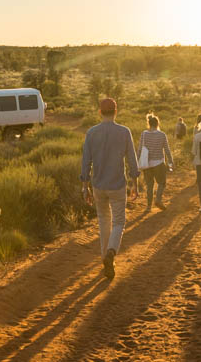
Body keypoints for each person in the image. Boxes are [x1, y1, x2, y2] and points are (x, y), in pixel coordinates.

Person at [80, 98, 140, 279]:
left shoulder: (91, 133)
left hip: (98, 185)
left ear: (100, 112)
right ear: (116, 111)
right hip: (117, 185)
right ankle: (111, 252)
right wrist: (135, 182)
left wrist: (85, 186)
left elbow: (86, 162)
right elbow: (132, 160)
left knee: (104, 221)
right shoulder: (124, 132)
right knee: (119, 222)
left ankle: (104, 257)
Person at [138, 114, 174, 211]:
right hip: (159, 163)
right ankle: (158, 199)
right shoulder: (162, 135)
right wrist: (170, 161)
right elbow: (167, 149)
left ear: (149, 123)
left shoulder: (144, 134)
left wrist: (138, 161)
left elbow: (140, 149)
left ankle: (148, 207)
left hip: (147, 164)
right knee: (161, 183)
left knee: (149, 185)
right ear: (158, 123)